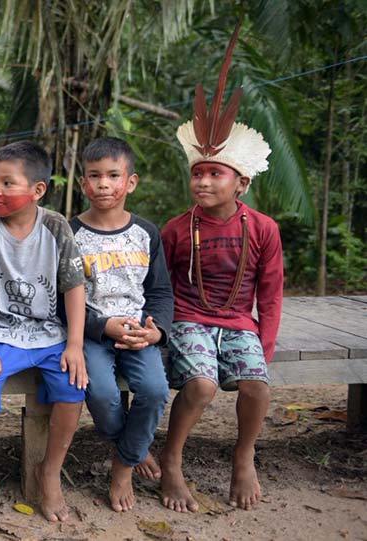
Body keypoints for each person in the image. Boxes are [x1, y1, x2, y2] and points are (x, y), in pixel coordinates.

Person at [158, 26, 282, 513]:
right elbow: (162, 289)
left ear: (242, 183)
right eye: (197, 172)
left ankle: (244, 454)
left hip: (239, 324)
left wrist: (262, 346)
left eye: (216, 173)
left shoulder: (264, 229)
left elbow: (270, 293)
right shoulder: (175, 229)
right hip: (188, 319)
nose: (203, 180)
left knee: (255, 385)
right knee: (203, 385)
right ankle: (172, 460)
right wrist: (164, 334)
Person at [0, 141, 87, 533]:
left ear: (38, 190)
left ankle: (50, 472)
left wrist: (76, 346)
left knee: (72, 385)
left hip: (49, 332)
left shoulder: (56, 227)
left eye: (7, 182)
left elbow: (73, 287)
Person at [69, 137, 172, 513]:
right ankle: (133, 451)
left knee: (155, 389)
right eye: (94, 176)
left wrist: (157, 330)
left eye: (113, 175)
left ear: (130, 182)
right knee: (100, 394)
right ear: (83, 183)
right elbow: (64, 300)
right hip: (93, 333)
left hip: (139, 334)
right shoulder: (71, 234)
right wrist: (102, 327)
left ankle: (123, 465)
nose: (103, 184)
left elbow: (160, 291)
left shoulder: (146, 233)